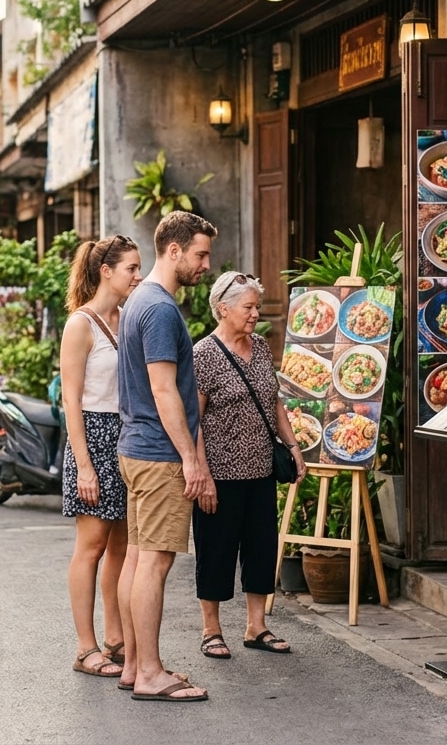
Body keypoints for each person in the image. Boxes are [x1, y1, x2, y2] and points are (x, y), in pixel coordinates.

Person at [115, 211, 216, 703]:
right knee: (153, 562)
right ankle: (151, 673)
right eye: (200, 254)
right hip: (157, 455)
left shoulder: (140, 300)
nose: (206, 265)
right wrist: (191, 460)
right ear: (173, 250)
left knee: (138, 558)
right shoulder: (158, 308)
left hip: (138, 449)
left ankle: (136, 664)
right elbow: (163, 388)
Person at [192, 271, 304, 661]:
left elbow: (274, 402)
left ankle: (256, 627)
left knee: (260, 549)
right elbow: (194, 419)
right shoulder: (203, 355)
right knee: (216, 550)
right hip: (219, 473)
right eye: (249, 306)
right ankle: (211, 630)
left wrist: (292, 446)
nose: (256, 313)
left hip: (260, 470)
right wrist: (200, 472)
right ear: (223, 309)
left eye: (257, 306)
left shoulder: (258, 347)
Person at [60, 235, 142, 679]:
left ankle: (115, 637)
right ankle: (84, 646)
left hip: (126, 435)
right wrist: (84, 465)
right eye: (131, 267)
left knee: (121, 547)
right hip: (91, 434)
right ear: (106, 271)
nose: (138, 275)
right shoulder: (81, 324)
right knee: (90, 548)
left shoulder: (128, 317)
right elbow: (71, 401)